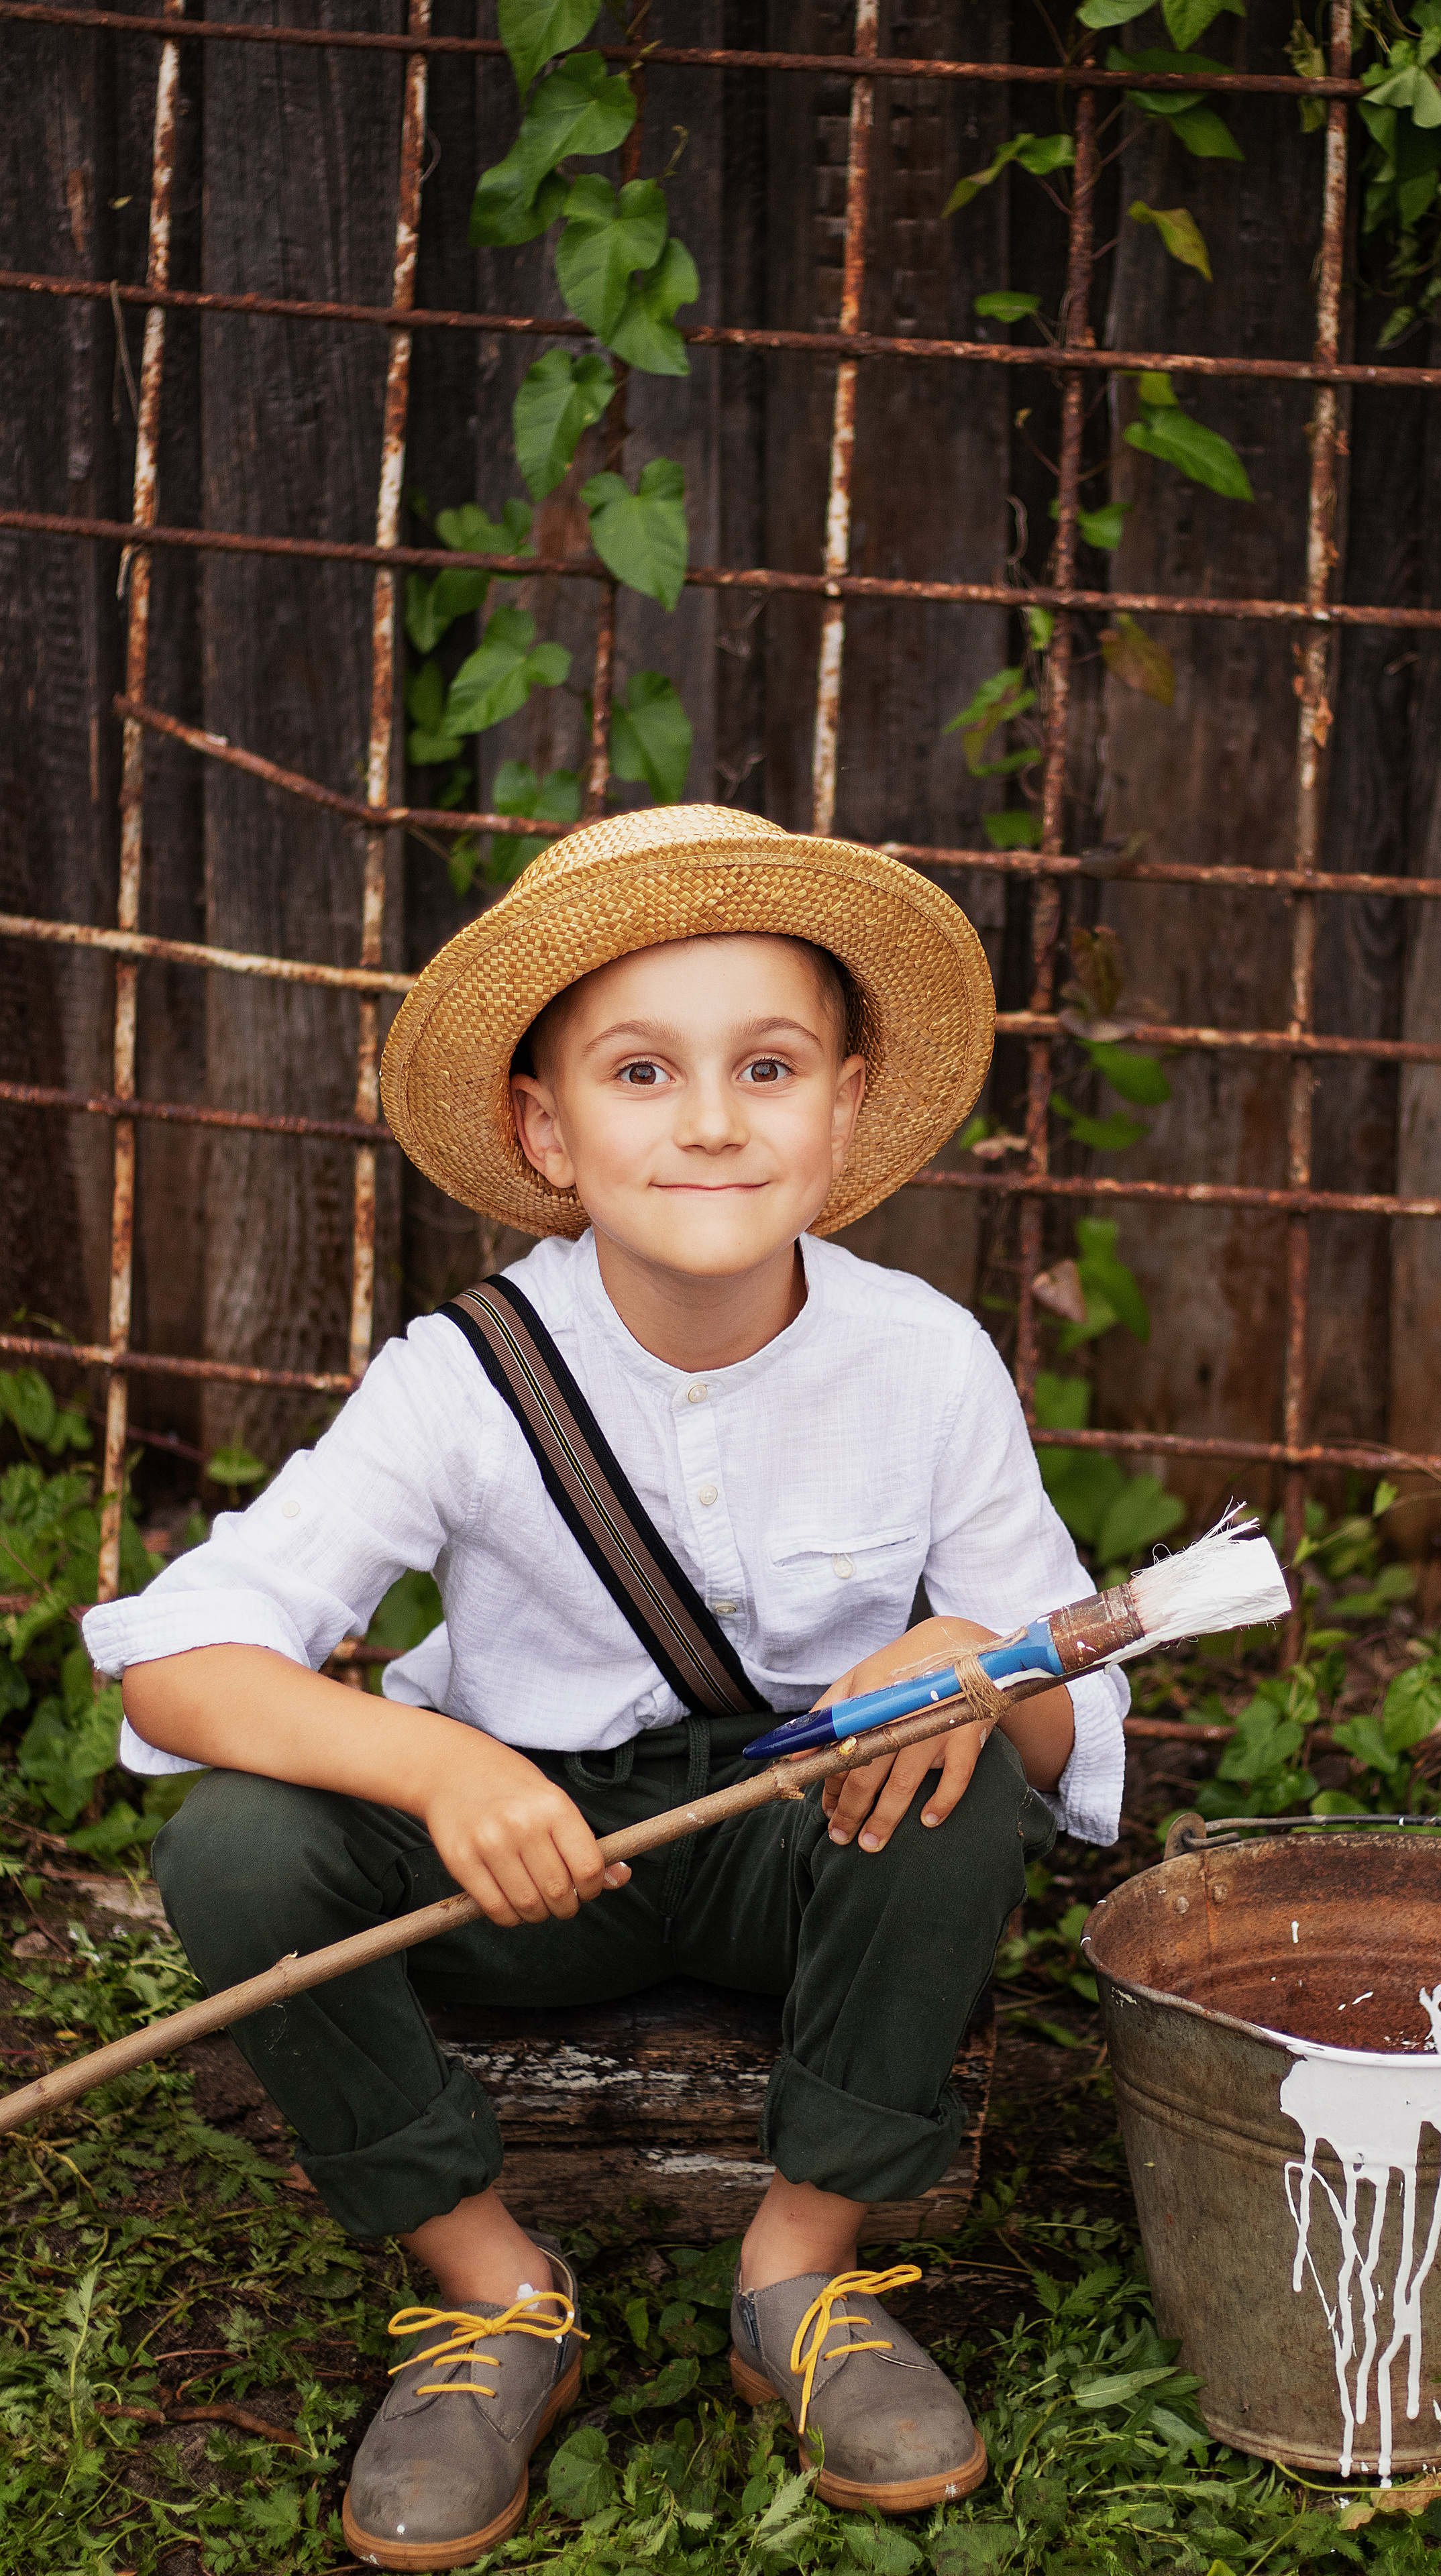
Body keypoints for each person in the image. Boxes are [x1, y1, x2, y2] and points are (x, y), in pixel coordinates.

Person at [83, 802, 1126, 2573]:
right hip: (526, 1862)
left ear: (847, 1106)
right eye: (641, 1073)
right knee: (242, 1847)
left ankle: (799, 2279)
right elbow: (181, 1666)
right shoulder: (466, 1378)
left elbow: (1069, 1730)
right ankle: (496, 2295)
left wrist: (974, 1662)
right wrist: (429, 1767)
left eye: (768, 1066)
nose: (711, 1120)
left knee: (965, 1794)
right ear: (543, 1127)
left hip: (800, 1852)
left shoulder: (926, 1364)